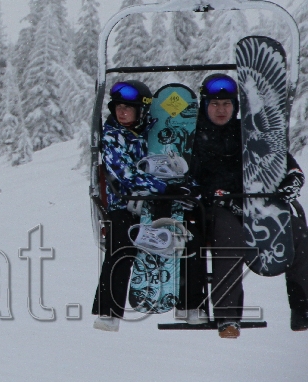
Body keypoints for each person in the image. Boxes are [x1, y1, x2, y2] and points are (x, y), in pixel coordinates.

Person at [186, 73, 308, 338]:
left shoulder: (251, 132)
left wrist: (293, 179)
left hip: (257, 203)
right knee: (230, 238)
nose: (221, 110)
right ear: (205, 106)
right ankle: (227, 316)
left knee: (297, 230)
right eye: (215, 104)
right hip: (218, 208)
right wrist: (211, 194)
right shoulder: (194, 138)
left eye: (226, 104)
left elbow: (284, 162)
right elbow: (187, 179)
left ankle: (302, 308)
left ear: (235, 106)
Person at [91, 80, 181, 332]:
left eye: (128, 108)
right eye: (118, 107)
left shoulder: (153, 132)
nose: (122, 112)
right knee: (121, 246)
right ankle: (108, 311)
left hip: (159, 203)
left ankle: (190, 302)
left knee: (189, 235)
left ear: (141, 110)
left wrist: (183, 186)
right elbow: (126, 175)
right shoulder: (113, 136)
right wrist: (164, 187)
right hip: (126, 204)